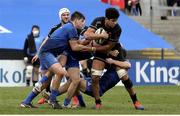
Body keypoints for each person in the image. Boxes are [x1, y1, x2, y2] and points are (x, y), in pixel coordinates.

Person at [20, 11, 96, 109]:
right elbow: (75, 47)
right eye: (82, 21)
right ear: (76, 20)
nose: (83, 24)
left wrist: (89, 41)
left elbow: (78, 42)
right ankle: (53, 100)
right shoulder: (71, 28)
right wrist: (92, 49)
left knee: (47, 80)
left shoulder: (69, 27)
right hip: (47, 53)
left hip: (49, 53)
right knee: (61, 73)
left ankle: (27, 101)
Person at [84, 7, 121, 109]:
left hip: (112, 52)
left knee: (124, 75)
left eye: (116, 20)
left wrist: (94, 47)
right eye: (113, 21)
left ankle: (135, 101)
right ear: (107, 19)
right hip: (100, 52)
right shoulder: (98, 21)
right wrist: (101, 37)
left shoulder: (117, 29)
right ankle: (98, 102)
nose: (115, 23)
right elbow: (87, 34)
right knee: (95, 77)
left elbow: (109, 47)